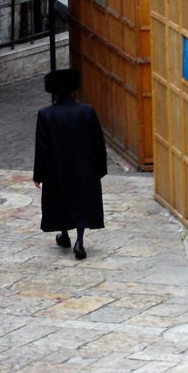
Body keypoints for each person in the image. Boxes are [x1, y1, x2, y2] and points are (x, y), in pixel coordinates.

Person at [33, 68, 107, 260]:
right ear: (74, 91)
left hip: (57, 169)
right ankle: (79, 241)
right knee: (81, 201)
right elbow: (98, 142)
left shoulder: (46, 115)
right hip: (85, 167)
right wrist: (100, 168)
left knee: (61, 199)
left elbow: (42, 147)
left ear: (53, 93)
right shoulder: (87, 112)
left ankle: (64, 234)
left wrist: (39, 174)